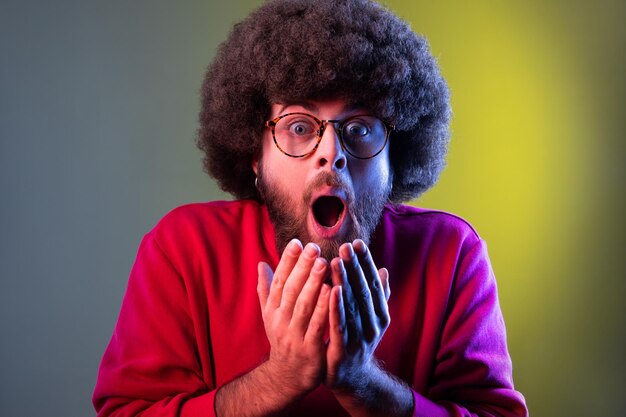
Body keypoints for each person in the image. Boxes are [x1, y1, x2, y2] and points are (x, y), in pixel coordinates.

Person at [93, 0, 528, 416]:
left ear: (394, 160)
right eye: (299, 126)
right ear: (254, 157)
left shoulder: (451, 255)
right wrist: (280, 378)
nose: (331, 152)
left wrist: (363, 383)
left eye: (360, 128)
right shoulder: (184, 248)